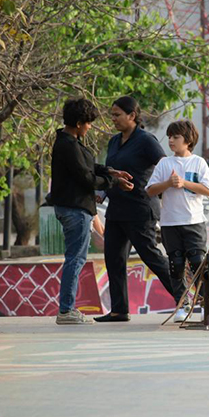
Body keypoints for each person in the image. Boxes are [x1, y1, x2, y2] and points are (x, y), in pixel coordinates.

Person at [95, 96, 185, 322]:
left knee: (151, 256)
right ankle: (119, 310)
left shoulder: (145, 140)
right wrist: (103, 191)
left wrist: (164, 190)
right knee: (113, 258)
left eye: (117, 115)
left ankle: (183, 297)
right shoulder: (114, 141)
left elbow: (165, 165)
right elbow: (111, 171)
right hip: (116, 209)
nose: (113, 119)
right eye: (112, 115)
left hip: (140, 208)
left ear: (132, 116)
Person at [49, 98, 133, 325]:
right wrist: (112, 182)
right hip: (75, 209)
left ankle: (67, 309)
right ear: (78, 123)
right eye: (88, 123)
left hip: (77, 208)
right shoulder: (67, 145)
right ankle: (66, 310)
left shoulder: (72, 143)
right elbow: (86, 178)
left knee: (75, 258)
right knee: (75, 259)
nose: (89, 127)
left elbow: (89, 167)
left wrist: (112, 173)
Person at [146, 120, 209, 322]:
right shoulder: (165, 163)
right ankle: (182, 304)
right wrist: (168, 183)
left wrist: (185, 183)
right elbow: (150, 190)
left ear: (188, 140)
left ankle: (205, 302)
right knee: (175, 264)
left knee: (197, 262)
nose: (171, 141)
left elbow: (208, 190)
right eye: (169, 137)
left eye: (176, 137)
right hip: (169, 223)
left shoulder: (198, 162)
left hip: (193, 221)